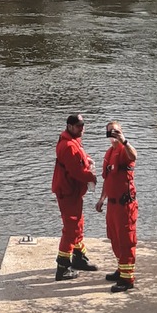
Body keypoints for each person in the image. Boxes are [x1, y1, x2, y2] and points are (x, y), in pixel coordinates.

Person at [51, 112, 98, 280]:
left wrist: (87, 159)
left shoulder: (72, 141)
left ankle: (78, 258)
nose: (82, 129)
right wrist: (92, 177)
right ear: (70, 126)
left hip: (72, 191)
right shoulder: (68, 145)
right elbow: (77, 171)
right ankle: (62, 267)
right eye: (79, 126)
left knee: (77, 223)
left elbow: (80, 157)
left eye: (83, 125)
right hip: (67, 191)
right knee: (71, 228)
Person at [95, 121, 137, 292]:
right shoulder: (109, 152)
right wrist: (101, 199)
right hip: (112, 205)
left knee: (126, 240)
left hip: (125, 204)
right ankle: (121, 269)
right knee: (114, 238)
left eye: (116, 131)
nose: (113, 134)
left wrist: (124, 140)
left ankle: (128, 279)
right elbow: (107, 179)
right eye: (110, 132)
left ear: (121, 132)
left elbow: (134, 156)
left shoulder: (123, 150)